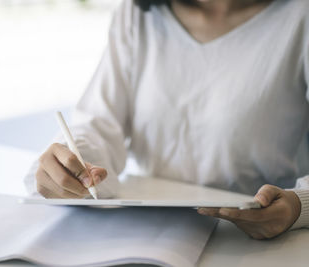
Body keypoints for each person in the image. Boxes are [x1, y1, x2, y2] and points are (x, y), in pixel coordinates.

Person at [25, 0, 309, 240]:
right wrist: (72, 166)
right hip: (152, 233)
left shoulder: (300, 17)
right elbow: (98, 125)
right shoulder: (138, 15)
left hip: (257, 241)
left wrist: (298, 205)